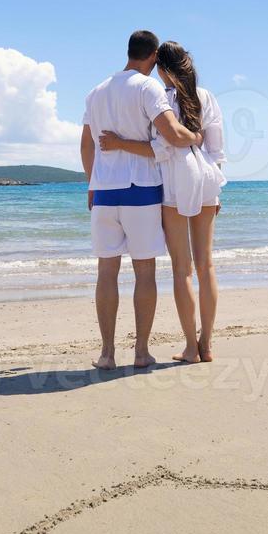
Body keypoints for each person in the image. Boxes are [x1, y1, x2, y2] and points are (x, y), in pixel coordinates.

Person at [80, 31, 202, 370]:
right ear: (151, 56)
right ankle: (141, 352)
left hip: (104, 192)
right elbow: (173, 134)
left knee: (106, 272)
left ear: (129, 51)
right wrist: (196, 136)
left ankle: (106, 354)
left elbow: (86, 146)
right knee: (144, 272)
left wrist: (92, 182)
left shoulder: (96, 91)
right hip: (141, 189)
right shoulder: (146, 87)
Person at [99, 41, 226, 364]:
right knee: (206, 265)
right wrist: (216, 190)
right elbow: (217, 150)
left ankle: (189, 347)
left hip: (172, 187)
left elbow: (161, 149)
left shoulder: (162, 100)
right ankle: (206, 344)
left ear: (163, 70)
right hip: (207, 182)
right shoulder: (206, 96)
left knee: (182, 269)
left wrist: (118, 143)